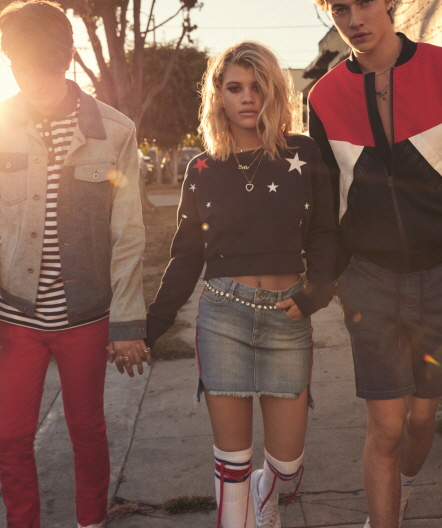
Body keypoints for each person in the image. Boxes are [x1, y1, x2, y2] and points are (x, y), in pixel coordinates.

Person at [135, 41, 336, 528]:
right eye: (235, 87)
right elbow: (185, 255)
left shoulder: (303, 153)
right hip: (223, 317)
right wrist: (150, 327)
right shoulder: (201, 169)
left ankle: (269, 493)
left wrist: (315, 293)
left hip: (287, 317)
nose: (248, 97)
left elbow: (326, 232)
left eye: (258, 86)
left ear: (275, 93)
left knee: (287, 465)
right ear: (218, 96)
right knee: (232, 464)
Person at [0, 1, 151, 527]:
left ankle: (91, 521)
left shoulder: (115, 131)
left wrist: (128, 323)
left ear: (67, 58)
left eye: (46, 65)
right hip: (14, 318)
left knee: (86, 431)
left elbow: (127, 233)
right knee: (10, 435)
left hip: (85, 316)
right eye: (21, 67)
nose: (35, 80)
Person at [308, 1, 442, 527]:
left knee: (422, 418)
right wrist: (327, 275)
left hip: (439, 277)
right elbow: (325, 200)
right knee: (385, 427)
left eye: (364, 2)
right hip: (370, 281)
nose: (354, 20)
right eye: (340, 8)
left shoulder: (439, 69)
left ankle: (402, 487)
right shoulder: (324, 96)